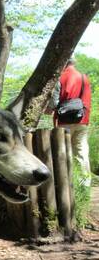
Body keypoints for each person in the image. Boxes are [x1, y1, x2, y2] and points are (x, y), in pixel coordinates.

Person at [51, 58, 92, 186]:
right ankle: (84, 183)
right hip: (82, 119)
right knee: (81, 151)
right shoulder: (83, 77)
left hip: (64, 121)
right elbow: (87, 100)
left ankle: (69, 183)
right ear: (74, 63)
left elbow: (54, 103)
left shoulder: (60, 78)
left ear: (64, 63)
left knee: (65, 151)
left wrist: (51, 109)